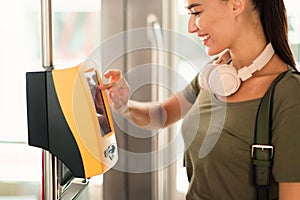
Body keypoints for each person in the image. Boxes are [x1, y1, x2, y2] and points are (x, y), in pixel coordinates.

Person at [100, 0, 300, 199]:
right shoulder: (216, 75)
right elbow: (162, 115)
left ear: (236, 4)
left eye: (196, 12)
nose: (190, 28)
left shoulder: (289, 94)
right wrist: (124, 105)